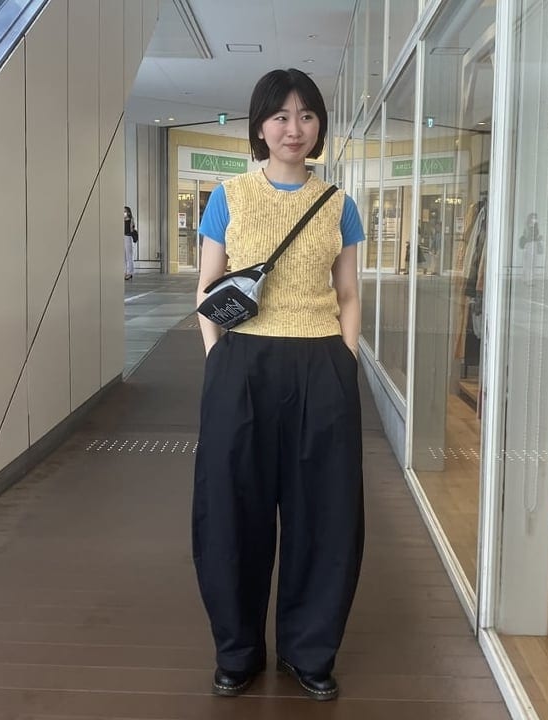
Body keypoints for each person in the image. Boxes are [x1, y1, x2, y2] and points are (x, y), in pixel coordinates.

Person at [193, 68, 365, 701]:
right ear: (260, 126)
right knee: (231, 509)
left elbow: (349, 294)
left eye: (307, 115)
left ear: (319, 125)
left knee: (326, 511)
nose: (295, 128)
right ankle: (237, 651)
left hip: (321, 363)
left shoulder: (340, 203)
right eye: (281, 116)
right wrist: (218, 359)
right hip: (242, 364)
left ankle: (308, 650)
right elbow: (207, 289)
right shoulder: (228, 196)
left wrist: (345, 359)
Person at [123, 206, 135, 280]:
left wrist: (128, 220)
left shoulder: (131, 219)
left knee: (129, 255)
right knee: (123, 256)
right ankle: (125, 272)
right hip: (122, 237)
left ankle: (130, 273)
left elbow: (131, 229)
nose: (124, 213)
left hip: (128, 237)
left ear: (128, 212)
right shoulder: (122, 220)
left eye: (125, 211)